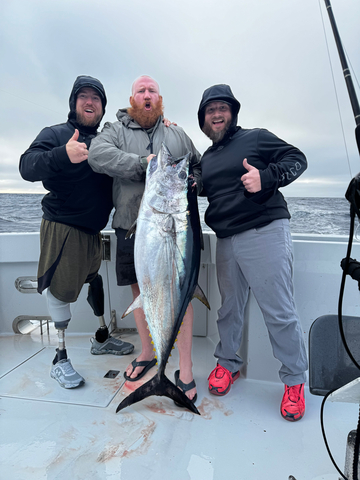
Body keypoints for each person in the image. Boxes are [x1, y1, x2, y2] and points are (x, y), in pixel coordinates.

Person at [197, 84, 308, 421]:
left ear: (232, 113)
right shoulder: (207, 157)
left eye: (222, 108)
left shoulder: (256, 138)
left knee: (279, 311)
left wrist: (267, 176)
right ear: (203, 119)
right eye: (210, 110)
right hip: (226, 239)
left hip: (264, 231)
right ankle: (228, 364)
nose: (216, 114)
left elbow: (297, 159)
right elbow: (201, 184)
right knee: (229, 309)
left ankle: (294, 380)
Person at [88, 75, 201, 403]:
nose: (147, 95)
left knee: (182, 293)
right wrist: (142, 164)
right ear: (132, 98)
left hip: (175, 229)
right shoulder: (116, 130)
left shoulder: (176, 133)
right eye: (141, 91)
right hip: (130, 226)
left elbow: (200, 167)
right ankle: (149, 352)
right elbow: (97, 155)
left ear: (159, 98)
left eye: (152, 90)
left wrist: (194, 181)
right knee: (141, 291)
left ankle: (185, 366)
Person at [19, 75, 134, 389]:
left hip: (93, 232)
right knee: (60, 291)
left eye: (96, 99)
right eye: (83, 96)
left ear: (102, 107)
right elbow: (26, 166)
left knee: (93, 279)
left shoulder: (106, 140)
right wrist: (61, 155)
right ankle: (60, 357)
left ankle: (100, 338)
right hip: (63, 228)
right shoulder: (56, 134)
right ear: (74, 102)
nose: (89, 102)